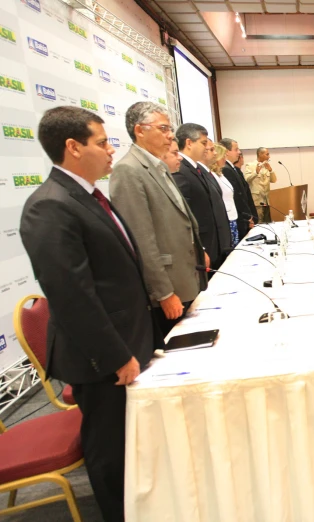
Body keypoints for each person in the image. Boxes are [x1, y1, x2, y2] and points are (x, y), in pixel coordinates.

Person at [20, 106, 159, 521]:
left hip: (128, 340)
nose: (111, 149)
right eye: (101, 142)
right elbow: (71, 295)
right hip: (103, 357)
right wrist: (116, 355)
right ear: (72, 147)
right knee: (110, 451)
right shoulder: (50, 205)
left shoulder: (88, 195)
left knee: (132, 442)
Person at [110, 102, 208, 337]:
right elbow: (142, 240)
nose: (170, 135)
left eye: (169, 128)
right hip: (167, 288)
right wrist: (163, 293)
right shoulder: (129, 170)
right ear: (139, 130)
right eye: (163, 128)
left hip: (185, 278)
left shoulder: (157, 166)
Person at [173, 123, 232, 269]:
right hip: (204, 245)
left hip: (214, 242)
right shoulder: (181, 170)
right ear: (188, 143)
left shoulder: (197, 168)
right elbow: (184, 214)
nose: (206, 148)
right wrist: (200, 248)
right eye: (203, 143)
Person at [219, 138, 256, 239]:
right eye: (236, 149)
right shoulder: (226, 170)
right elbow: (237, 197)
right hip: (239, 219)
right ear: (226, 152)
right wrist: (247, 216)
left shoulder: (232, 168)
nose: (239, 152)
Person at [210, 143, 240, 248]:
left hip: (232, 216)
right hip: (226, 218)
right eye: (223, 156)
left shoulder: (221, 174)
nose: (224, 159)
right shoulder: (212, 175)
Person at [243, 147, 277, 223]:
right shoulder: (250, 165)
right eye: (267, 154)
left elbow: (274, 180)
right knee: (259, 223)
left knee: (268, 224)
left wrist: (271, 170)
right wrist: (256, 172)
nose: (269, 156)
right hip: (257, 201)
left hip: (266, 200)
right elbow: (246, 179)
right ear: (260, 154)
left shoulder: (267, 166)